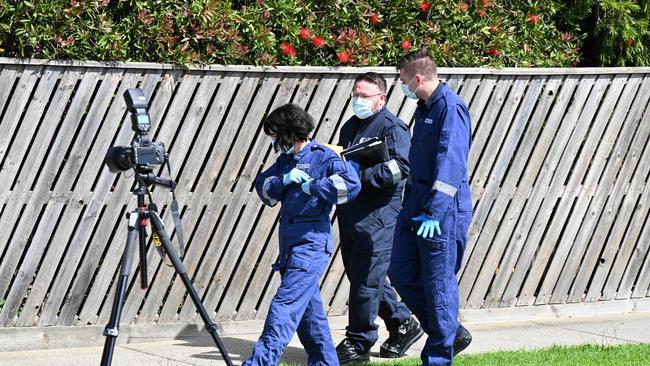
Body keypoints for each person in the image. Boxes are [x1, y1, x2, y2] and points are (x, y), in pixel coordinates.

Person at [245, 104, 361, 366]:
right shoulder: (285, 161)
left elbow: (351, 186)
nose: (274, 141)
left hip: (311, 243)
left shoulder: (325, 157)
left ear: (288, 132)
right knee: (311, 316)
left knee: (283, 307)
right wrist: (283, 180)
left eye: (275, 134)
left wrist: (314, 186)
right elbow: (263, 187)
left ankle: (259, 363)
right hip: (290, 246)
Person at [388, 48, 474, 365]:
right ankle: (451, 332)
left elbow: (450, 165)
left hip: (441, 210)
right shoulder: (424, 107)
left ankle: (438, 356)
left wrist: (435, 211)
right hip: (415, 202)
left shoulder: (451, 109)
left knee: (438, 284)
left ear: (418, 78)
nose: (402, 86)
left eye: (403, 81)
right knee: (400, 272)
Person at [335, 72, 423, 363]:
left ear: (381, 98)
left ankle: (359, 342)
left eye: (364, 96)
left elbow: (400, 168)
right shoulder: (351, 126)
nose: (358, 100)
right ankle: (402, 323)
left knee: (366, 282)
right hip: (351, 213)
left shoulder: (392, 127)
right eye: (355, 95)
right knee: (362, 276)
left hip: (380, 216)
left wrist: (360, 176)